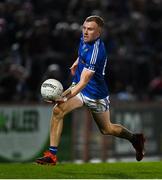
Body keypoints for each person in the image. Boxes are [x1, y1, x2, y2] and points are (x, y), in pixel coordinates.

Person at [36, 15, 145, 165]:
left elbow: (84, 81)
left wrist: (65, 97)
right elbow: (82, 54)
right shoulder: (85, 39)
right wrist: (77, 62)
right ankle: (52, 155)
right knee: (58, 110)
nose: (85, 32)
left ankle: (135, 138)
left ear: (99, 33)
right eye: (84, 28)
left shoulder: (97, 51)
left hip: (95, 94)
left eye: (90, 29)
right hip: (80, 89)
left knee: (107, 129)